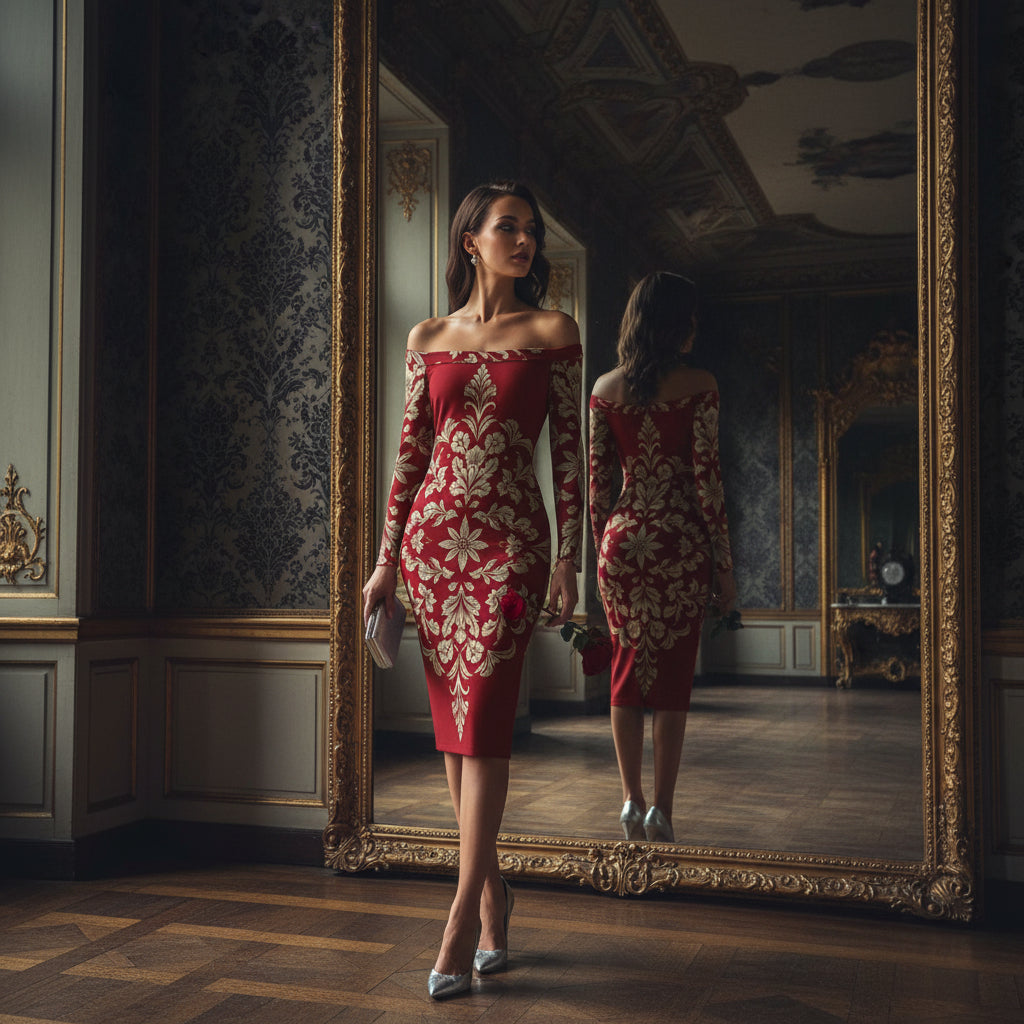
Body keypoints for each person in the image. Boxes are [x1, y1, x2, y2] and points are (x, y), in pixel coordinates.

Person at [362, 181, 583, 999]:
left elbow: (569, 457)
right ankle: (492, 891)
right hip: (430, 546)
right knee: (455, 729)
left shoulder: (554, 332)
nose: (524, 241)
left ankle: (456, 924)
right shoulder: (428, 336)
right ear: (470, 240)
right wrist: (386, 560)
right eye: (508, 228)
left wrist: (569, 560)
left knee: (485, 719)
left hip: (512, 547)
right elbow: (408, 458)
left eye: (531, 230)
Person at [588, 271, 736, 845]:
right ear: (676, 323)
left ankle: (630, 799)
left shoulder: (604, 389)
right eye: (689, 317)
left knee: (625, 671)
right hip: (679, 541)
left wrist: (602, 557)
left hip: (621, 542)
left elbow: (599, 489)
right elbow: (708, 482)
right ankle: (663, 810)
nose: (694, 327)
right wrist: (723, 568)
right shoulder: (700, 383)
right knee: (672, 678)